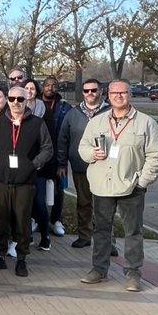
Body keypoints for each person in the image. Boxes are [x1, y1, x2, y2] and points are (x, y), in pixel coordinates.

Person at [77, 80, 158, 292]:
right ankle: (99, 269)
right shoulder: (96, 122)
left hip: (131, 186)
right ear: (108, 95)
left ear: (130, 95)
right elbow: (83, 147)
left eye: (123, 92)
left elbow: (155, 155)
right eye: (114, 92)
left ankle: (133, 273)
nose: (118, 96)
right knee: (102, 230)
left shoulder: (145, 123)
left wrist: (142, 181)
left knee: (133, 232)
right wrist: (91, 154)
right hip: (101, 186)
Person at [0, 86, 52, 277]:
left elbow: (47, 148)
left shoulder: (37, 123)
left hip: (25, 181)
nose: (16, 102)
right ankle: (0, 254)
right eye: (13, 99)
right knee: (2, 218)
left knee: (22, 220)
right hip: (1, 179)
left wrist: (33, 164)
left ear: (26, 101)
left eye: (20, 99)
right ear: (8, 100)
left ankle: (22, 258)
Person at [57, 79, 110, 249]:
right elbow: (63, 139)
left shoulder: (110, 111)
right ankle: (84, 235)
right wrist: (62, 163)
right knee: (84, 203)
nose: (90, 94)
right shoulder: (73, 113)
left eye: (93, 90)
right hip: (81, 166)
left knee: (105, 206)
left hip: (106, 167)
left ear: (100, 91)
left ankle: (108, 241)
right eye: (86, 91)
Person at [33, 76, 72, 248]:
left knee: (58, 189)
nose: (50, 88)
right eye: (47, 85)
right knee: (38, 193)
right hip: (38, 155)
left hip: (57, 154)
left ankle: (56, 219)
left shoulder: (64, 107)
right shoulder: (34, 105)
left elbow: (65, 135)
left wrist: (61, 161)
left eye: (54, 85)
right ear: (42, 87)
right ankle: (36, 219)